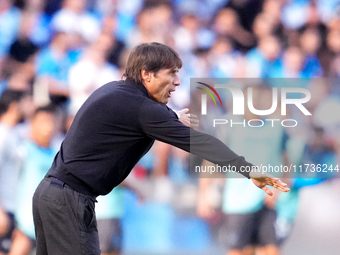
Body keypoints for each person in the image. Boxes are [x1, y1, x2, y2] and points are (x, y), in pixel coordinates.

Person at [32, 42, 289, 255]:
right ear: (146, 74)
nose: (177, 82)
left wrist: (172, 116)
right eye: (171, 73)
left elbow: (143, 112)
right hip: (69, 200)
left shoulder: (117, 91)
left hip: (51, 194)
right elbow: (201, 142)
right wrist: (248, 170)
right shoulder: (143, 110)